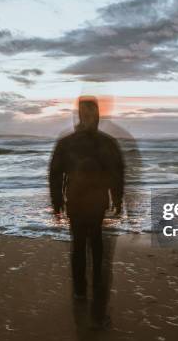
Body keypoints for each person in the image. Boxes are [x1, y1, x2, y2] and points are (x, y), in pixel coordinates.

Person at [48, 97, 124, 305]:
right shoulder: (106, 142)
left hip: (79, 199)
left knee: (81, 244)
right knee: (92, 243)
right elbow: (116, 173)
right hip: (91, 200)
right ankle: (93, 287)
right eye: (89, 113)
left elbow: (55, 174)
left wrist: (57, 202)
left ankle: (81, 290)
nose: (90, 117)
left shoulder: (67, 143)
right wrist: (117, 199)